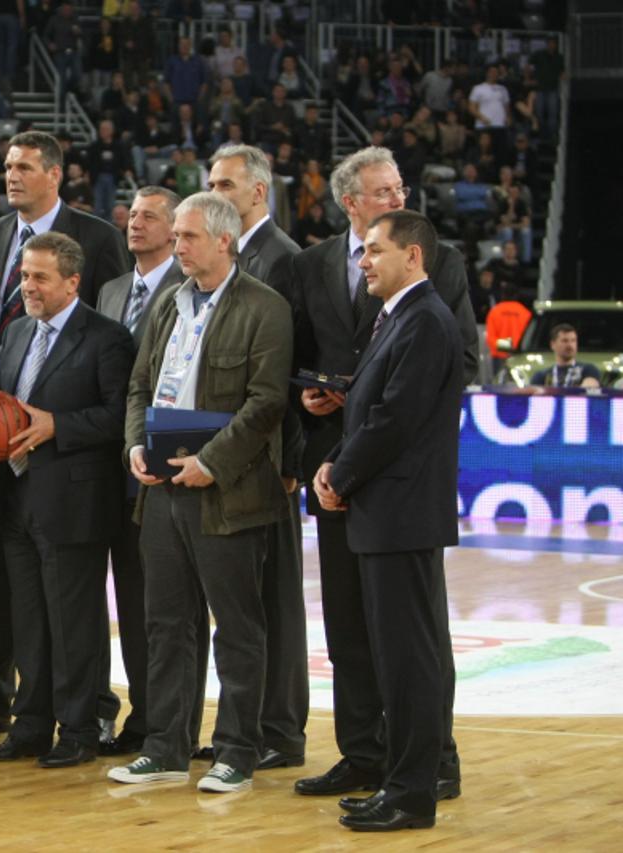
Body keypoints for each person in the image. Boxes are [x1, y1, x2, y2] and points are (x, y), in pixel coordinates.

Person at [290, 146, 473, 803]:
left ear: (409, 256)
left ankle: (426, 764)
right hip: (344, 477)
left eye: (398, 189)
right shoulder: (315, 267)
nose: (397, 198)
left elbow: (420, 391)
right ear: (349, 203)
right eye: (382, 191)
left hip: (385, 482)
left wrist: (348, 450)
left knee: (410, 640)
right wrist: (318, 405)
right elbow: (303, 355)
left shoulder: (430, 286)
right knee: (351, 626)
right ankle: (368, 755)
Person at [0, 129, 128, 740]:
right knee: (8, 581)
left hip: (67, 452)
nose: (11, 175)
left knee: (71, 597)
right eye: (6, 166)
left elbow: (105, 355)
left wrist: (61, 425)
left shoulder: (98, 238)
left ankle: (89, 716)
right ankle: (12, 706)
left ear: (55, 173)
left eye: (25, 166)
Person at [107, 192, 291, 795]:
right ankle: (165, 747)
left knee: (237, 629)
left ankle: (238, 750)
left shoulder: (266, 308)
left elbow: (266, 402)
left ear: (223, 240)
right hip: (161, 490)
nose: (176, 246)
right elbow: (140, 388)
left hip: (229, 492)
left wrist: (211, 462)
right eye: (176, 236)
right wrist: (136, 444)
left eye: (187, 237)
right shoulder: (167, 303)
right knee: (165, 624)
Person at [0, 230, 133, 768]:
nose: (28, 286)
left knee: (73, 624)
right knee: (29, 621)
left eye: (40, 277)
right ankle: (31, 726)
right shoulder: (17, 332)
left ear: (72, 281)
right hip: (16, 495)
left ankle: (80, 730)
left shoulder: (107, 338)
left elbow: (119, 417)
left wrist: (56, 426)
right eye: (24, 276)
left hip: (74, 503)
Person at [206, 144, 307, 770]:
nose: (214, 190)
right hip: (226, 453)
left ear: (259, 192)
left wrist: (291, 457)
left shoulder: (284, 260)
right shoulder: (228, 256)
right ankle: (245, 728)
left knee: (274, 599)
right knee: (241, 600)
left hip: (270, 459)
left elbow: (292, 371)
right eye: (209, 182)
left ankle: (281, 732)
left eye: (225, 183)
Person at [94, 186, 185, 757]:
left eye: (151, 216)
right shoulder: (111, 289)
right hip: (107, 463)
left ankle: (163, 719)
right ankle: (138, 713)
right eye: (132, 214)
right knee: (127, 601)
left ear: (176, 230)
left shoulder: (188, 289)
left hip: (159, 465)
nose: (135, 223)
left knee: (159, 604)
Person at [530, 324, 602, 389]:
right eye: (565, 341)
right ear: (553, 344)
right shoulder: (542, 375)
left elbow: (588, 390)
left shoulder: (588, 370)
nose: (570, 345)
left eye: (573, 341)